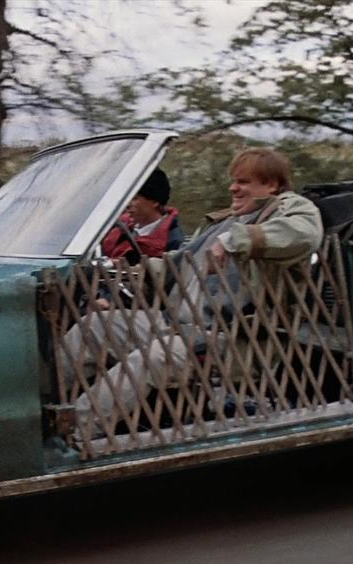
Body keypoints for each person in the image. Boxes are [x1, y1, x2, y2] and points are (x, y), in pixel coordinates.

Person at [59, 148, 323, 438]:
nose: (233, 188)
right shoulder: (225, 221)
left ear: (271, 184)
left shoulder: (289, 208)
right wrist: (125, 280)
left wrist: (235, 241)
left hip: (235, 338)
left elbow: (305, 234)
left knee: (154, 357)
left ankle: (73, 432)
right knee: (94, 327)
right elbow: (179, 264)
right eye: (234, 181)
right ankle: (38, 413)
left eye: (244, 182)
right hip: (178, 324)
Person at [100, 168, 185, 263]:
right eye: (127, 198)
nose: (127, 204)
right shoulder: (117, 228)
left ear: (154, 201)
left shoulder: (173, 242)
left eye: (134, 198)